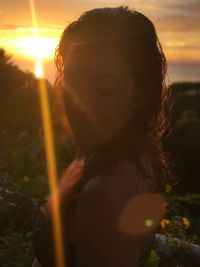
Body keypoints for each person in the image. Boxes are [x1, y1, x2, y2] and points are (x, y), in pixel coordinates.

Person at [32, 5, 171, 267]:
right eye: (72, 81)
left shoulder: (103, 196)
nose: (80, 104)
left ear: (143, 92)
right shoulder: (136, 152)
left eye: (105, 88)